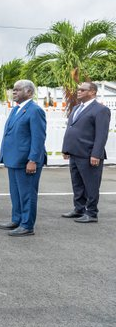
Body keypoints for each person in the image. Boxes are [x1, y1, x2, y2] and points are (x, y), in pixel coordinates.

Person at [0, 80, 47, 237]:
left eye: (18, 90)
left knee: (27, 194)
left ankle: (27, 225)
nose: (14, 92)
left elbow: (38, 138)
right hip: (14, 160)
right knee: (16, 193)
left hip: (27, 161)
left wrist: (33, 160)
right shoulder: (16, 109)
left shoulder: (35, 110)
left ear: (29, 92)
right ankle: (17, 219)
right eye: (13, 90)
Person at [61, 82, 111, 223]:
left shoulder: (101, 110)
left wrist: (96, 154)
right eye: (78, 89)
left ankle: (91, 213)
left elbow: (102, 135)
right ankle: (79, 209)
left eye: (82, 90)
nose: (78, 91)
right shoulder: (76, 108)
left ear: (92, 92)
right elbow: (70, 129)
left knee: (91, 185)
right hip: (75, 153)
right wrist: (66, 148)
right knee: (77, 184)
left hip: (89, 155)